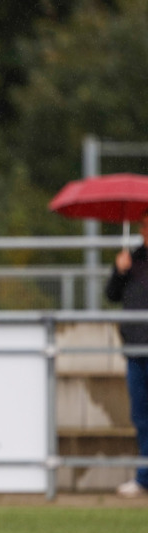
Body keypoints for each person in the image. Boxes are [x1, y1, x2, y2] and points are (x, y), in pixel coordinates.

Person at [105, 211, 148, 498]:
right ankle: (144, 476)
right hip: (135, 348)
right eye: (144, 225)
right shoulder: (131, 258)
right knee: (141, 416)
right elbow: (111, 295)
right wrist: (119, 271)